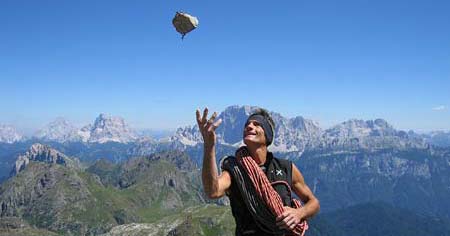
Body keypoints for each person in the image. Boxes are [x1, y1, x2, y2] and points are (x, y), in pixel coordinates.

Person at [196, 107, 320, 236]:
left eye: (257, 124)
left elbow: (313, 202)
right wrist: (209, 146)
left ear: (267, 135)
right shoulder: (235, 170)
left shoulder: (285, 168)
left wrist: (299, 213)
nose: (249, 126)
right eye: (247, 124)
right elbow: (212, 190)